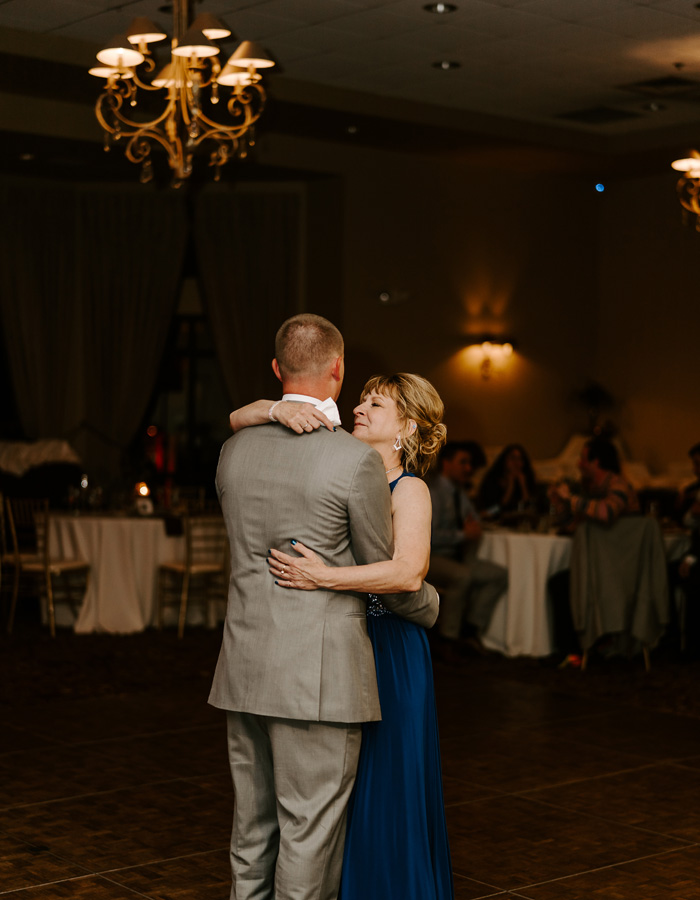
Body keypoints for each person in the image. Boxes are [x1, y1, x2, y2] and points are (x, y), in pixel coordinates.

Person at [209, 316, 439, 900]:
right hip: (316, 678)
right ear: (337, 371)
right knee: (309, 833)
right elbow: (389, 566)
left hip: (243, 667)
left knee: (251, 832)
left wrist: (265, 408)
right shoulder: (350, 462)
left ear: (276, 370)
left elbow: (239, 421)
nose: (362, 407)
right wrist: (429, 602)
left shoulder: (232, 452)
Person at [547, 436, 640, 666]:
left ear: (595, 462)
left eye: (582, 459)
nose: (579, 464)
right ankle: (575, 648)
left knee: (561, 583)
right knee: (559, 581)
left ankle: (577, 649)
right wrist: (560, 503)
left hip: (618, 567)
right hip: (596, 564)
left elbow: (606, 514)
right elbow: (573, 525)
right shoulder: (590, 488)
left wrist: (573, 499)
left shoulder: (618, 485)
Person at [427, 441, 508, 661]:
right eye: (463, 463)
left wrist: (493, 511)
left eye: (470, 464)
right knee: (462, 576)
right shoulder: (433, 492)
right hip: (431, 557)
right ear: (447, 463)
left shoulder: (459, 492)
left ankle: (470, 630)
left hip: (458, 556)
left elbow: (475, 517)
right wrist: (463, 535)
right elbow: (428, 536)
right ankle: (448, 640)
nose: (468, 468)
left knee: (498, 575)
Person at [476, 443, 537, 518]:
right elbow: (492, 510)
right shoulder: (492, 479)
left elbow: (528, 507)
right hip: (493, 519)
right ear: (504, 460)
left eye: (520, 459)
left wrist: (523, 485)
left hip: (518, 521)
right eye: (512, 458)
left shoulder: (527, 479)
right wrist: (510, 487)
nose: (516, 463)